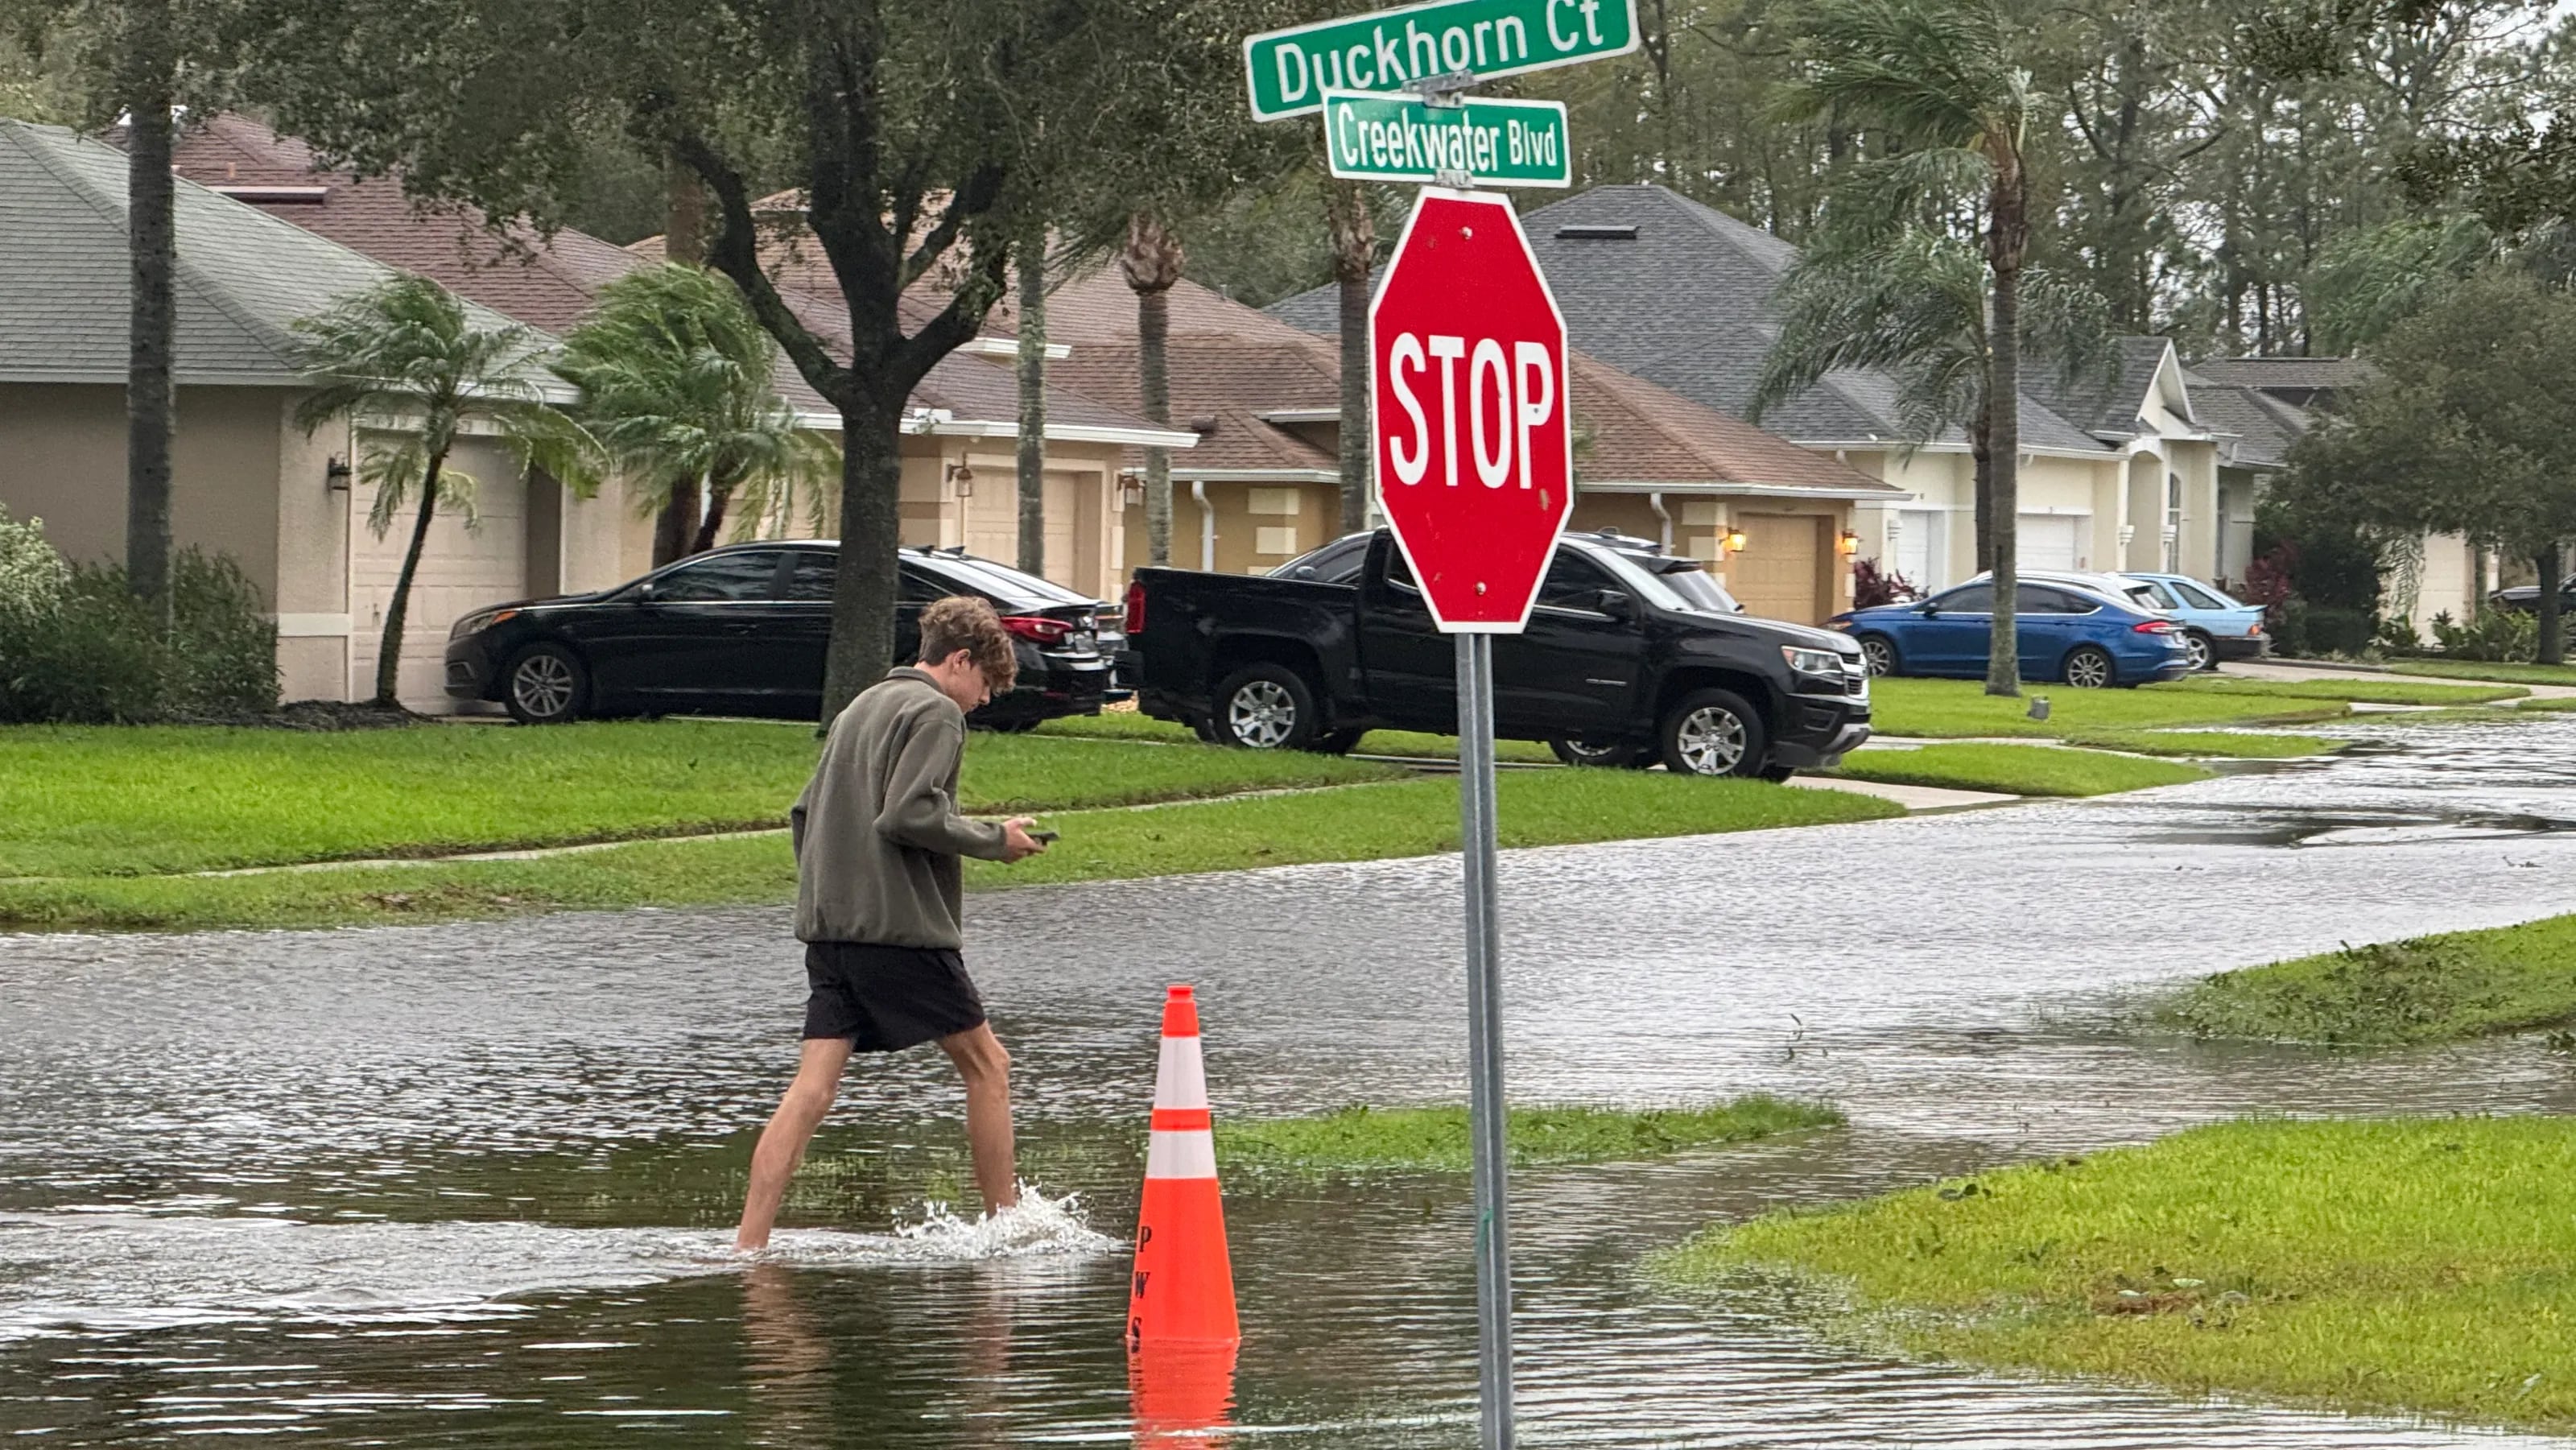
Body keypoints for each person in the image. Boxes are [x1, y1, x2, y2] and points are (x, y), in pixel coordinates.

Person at [736, 595, 1048, 1250]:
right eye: (986, 683)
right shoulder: (934, 711)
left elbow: (803, 813)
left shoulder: (861, 706)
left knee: (813, 1087)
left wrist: (835, 893)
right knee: (990, 1065)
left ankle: (749, 1243)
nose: (984, 700)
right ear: (960, 660)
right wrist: (996, 838)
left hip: (829, 931)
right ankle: (1007, 1228)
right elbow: (907, 814)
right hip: (899, 932)